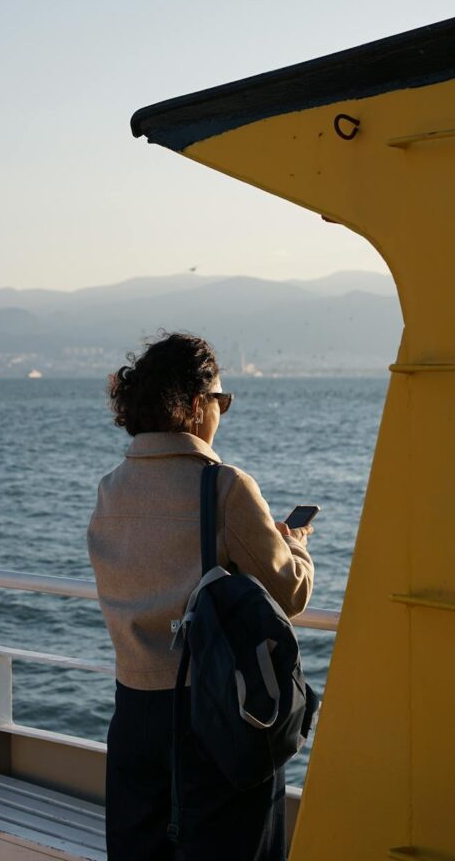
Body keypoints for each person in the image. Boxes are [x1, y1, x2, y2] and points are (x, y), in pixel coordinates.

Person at [87, 332, 315, 861]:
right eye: (222, 402)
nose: (221, 414)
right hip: (211, 715)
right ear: (195, 405)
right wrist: (296, 546)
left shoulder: (110, 489)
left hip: (133, 715)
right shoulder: (224, 487)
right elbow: (291, 591)